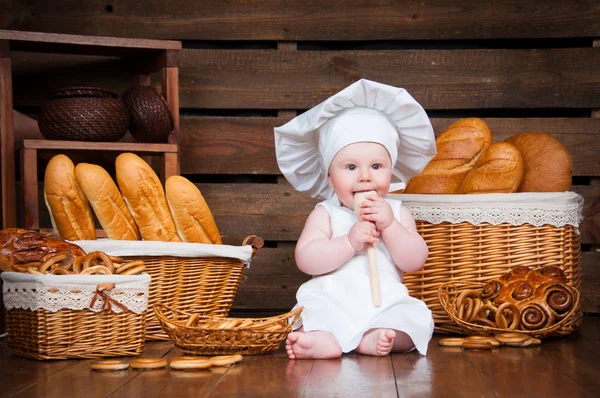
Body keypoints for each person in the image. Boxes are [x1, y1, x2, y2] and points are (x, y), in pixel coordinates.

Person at [273, 79, 437, 359]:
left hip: (385, 304)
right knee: (313, 314)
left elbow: (414, 261)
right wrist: (349, 242)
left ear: (391, 171)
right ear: (329, 176)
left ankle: (374, 338)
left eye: (376, 166)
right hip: (333, 300)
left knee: (416, 318)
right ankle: (323, 341)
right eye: (350, 167)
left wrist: (390, 226)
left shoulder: (396, 212)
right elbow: (306, 259)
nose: (364, 176)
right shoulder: (326, 213)